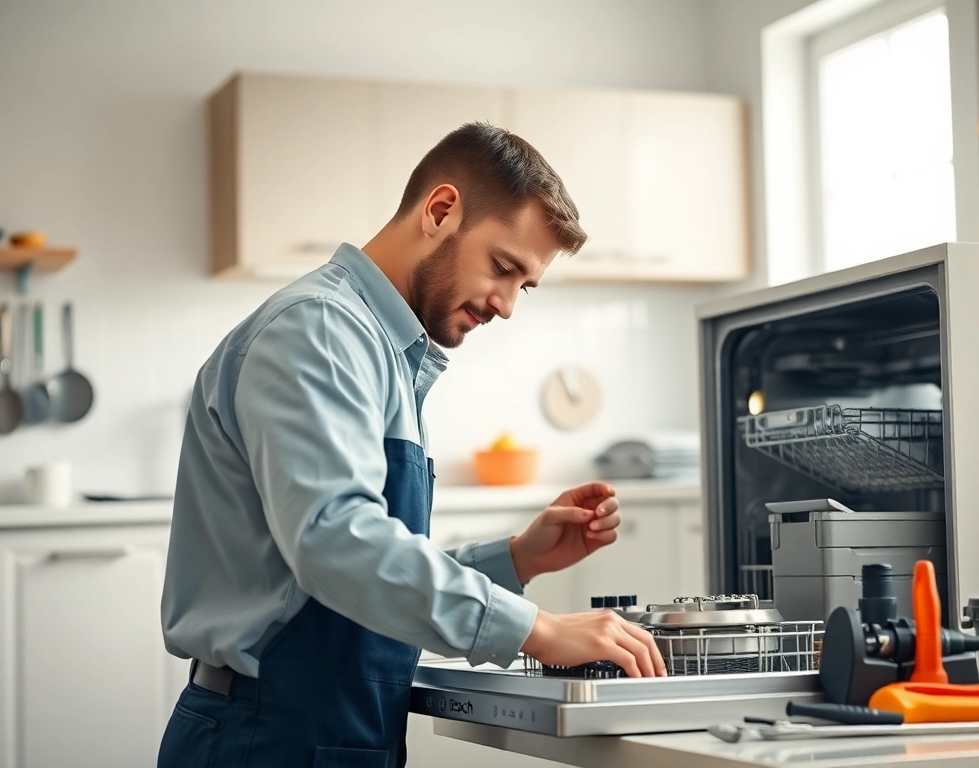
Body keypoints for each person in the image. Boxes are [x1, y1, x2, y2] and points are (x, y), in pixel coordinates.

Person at [157, 122, 666, 768]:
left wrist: (515, 558)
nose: (508, 305)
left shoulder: (387, 354)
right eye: (503, 268)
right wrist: (537, 630)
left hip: (332, 729)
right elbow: (335, 541)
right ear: (441, 210)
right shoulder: (319, 331)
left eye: (525, 285)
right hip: (266, 733)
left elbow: (353, 591)